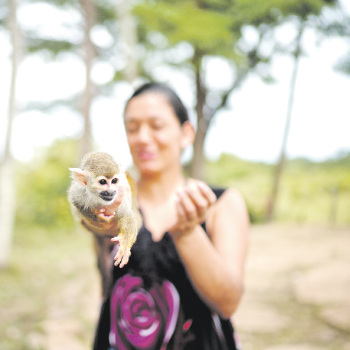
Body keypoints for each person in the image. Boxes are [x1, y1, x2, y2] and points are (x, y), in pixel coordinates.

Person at [82, 82, 249, 350]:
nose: (143, 138)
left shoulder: (221, 203)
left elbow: (228, 302)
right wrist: (100, 224)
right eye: (132, 128)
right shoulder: (113, 201)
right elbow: (106, 283)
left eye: (156, 125)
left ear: (186, 133)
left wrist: (188, 232)